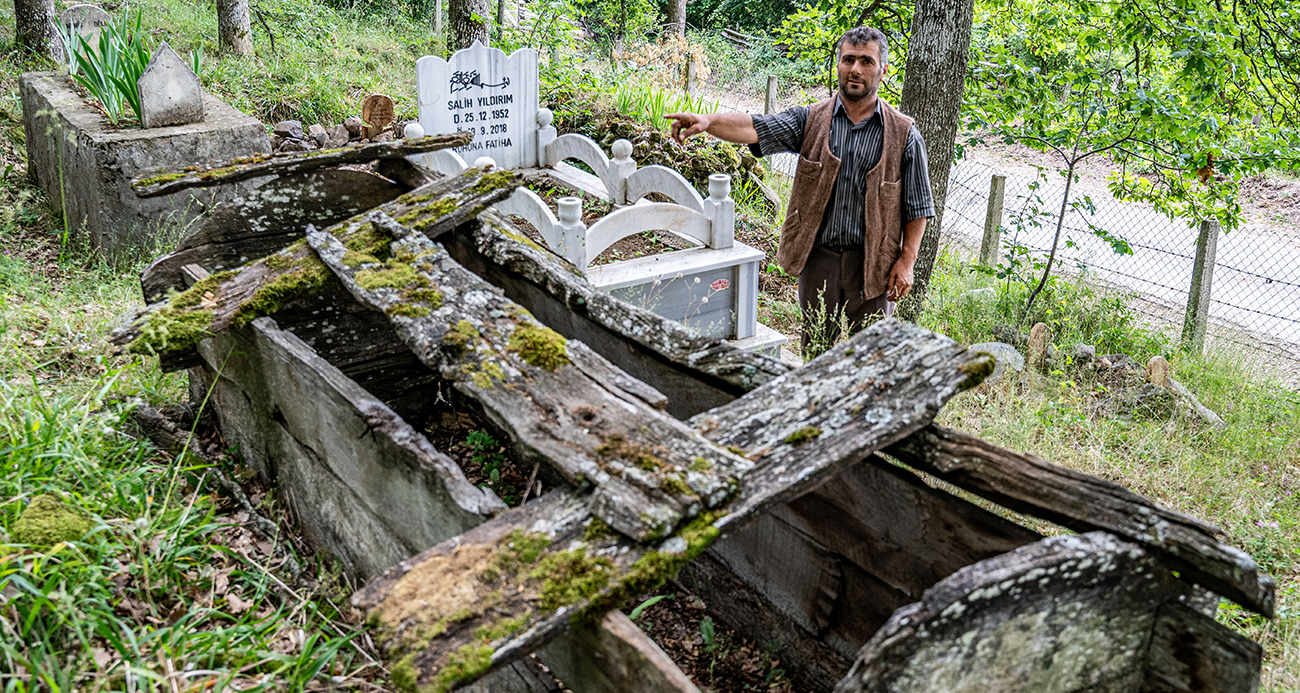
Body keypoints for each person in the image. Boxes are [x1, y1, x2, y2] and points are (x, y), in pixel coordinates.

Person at [665, 26, 934, 353]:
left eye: (866, 61)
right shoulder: (811, 120)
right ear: (838, 64)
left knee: (871, 359)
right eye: (848, 60)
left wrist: (906, 261)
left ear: (883, 70)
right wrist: (708, 122)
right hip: (818, 259)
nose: (855, 69)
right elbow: (754, 126)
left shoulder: (904, 134)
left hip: (874, 264)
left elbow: (918, 207)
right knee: (816, 352)